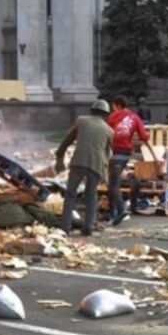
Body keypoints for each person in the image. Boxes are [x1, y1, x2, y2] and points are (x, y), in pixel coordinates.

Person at [54, 99, 113, 236]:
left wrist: (59, 157)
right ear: (106, 114)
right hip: (96, 165)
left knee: (70, 194)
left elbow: (67, 140)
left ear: (92, 111)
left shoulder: (81, 121)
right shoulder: (109, 130)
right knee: (91, 195)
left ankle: (65, 227)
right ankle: (88, 227)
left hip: (79, 161)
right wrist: (104, 170)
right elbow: (108, 154)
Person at [106, 96, 158, 225]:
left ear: (117, 105)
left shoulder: (112, 117)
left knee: (113, 184)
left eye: (113, 107)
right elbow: (144, 137)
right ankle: (111, 213)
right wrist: (155, 156)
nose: (113, 109)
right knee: (113, 181)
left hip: (115, 153)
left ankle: (121, 210)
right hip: (125, 154)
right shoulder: (135, 117)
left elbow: (106, 134)